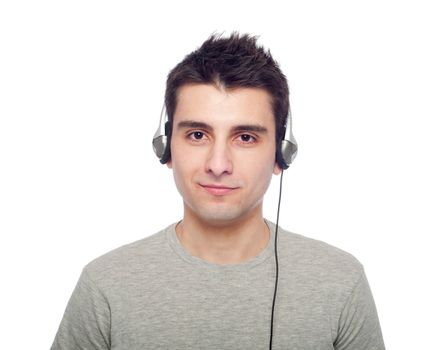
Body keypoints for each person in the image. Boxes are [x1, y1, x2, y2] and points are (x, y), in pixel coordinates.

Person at [50, 32, 385, 350]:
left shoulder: (340, 282)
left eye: (245, 137)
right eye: (198, 135)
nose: (218, 164)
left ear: (281, 154)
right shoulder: (105, 285)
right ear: (166, 148)